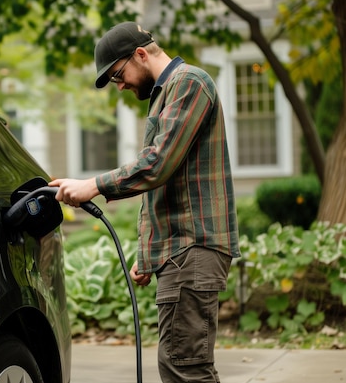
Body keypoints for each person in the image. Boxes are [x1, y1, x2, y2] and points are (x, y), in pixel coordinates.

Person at [49, 22, 241, 382]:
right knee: (181, 365)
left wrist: (94, 184)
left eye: (118, 75)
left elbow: (157, 164)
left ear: (140, 54)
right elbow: (164, 182)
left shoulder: (189, 83)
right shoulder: (167, 93)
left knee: (185, 369)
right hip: (178, 251)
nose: (119, 86)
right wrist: (148, 252)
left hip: (192, 248)